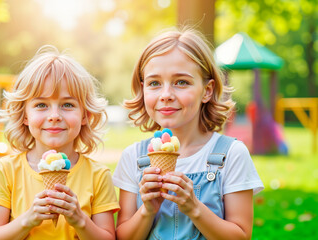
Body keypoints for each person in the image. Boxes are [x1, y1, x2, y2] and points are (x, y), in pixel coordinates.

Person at [113, 27, 264, 240]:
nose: (166, 95)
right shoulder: (133, 158)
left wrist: (194, 207)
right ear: (143, 88)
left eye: (181, 82)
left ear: (207, 90)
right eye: (154, 83)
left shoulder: (231, 154)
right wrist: (147, 210)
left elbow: (241, 236)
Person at [0, 45, 119, 240]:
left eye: (67, 105)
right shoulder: (7, 171)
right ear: (25, 115)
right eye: (41, 105)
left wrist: (80, 220)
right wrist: (28, 219)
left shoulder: (98, 176)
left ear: (85, 115)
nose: (54, 116)